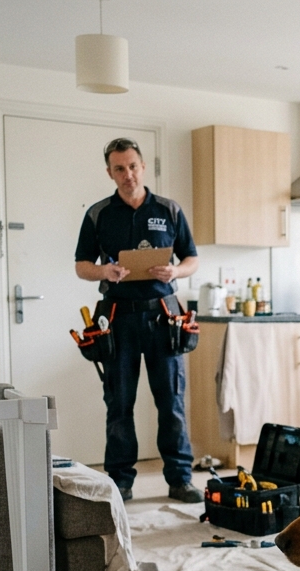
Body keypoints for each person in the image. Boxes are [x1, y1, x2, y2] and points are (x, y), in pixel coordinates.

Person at [75, 137, 203, 503]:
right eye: (119, 168)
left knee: (172, 403)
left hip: (164, 319)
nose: (127, 174)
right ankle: (120, 482)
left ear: (142, 166)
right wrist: (105, 271)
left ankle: (180, 479)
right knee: (119, 404)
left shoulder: (170, 209)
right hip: (116, 321)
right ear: (110, 172)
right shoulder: (99, 214)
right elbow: (81, 265)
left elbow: (192, 259)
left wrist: (176, 271)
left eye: (132, 166)